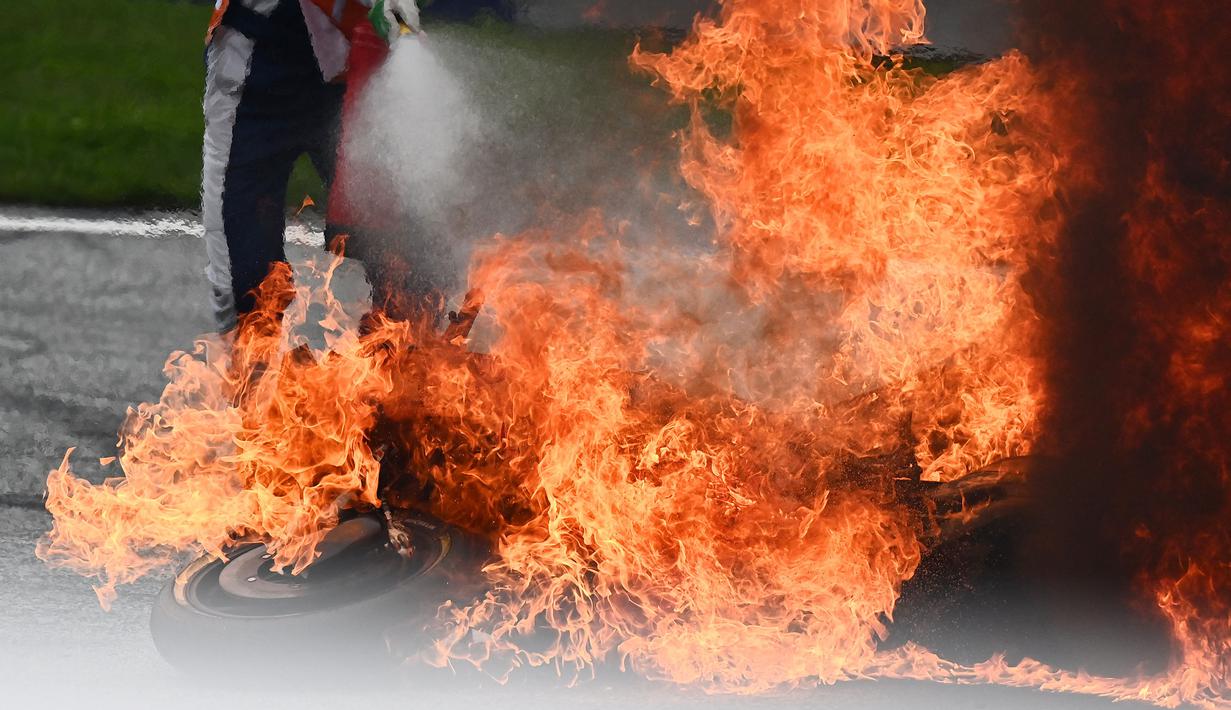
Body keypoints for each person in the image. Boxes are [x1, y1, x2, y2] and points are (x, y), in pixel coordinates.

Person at [201, 0, 421, 334]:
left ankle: (403, 370)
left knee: (405, 250)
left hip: (356, 64)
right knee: (247, 278)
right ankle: (256, 375)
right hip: (254, 68)